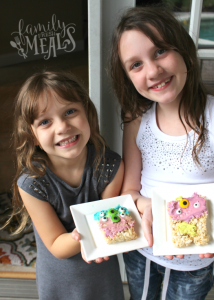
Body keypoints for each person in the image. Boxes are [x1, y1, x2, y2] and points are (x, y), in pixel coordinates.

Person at [110, 5, 214, 300]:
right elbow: (131, 192)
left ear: (183, 49)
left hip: (194, 259)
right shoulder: (136, 119)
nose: (154, 70)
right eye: (136, 64)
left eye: (160, 51)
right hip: (143, 250)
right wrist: (152, 209)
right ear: (127, 76)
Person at [9, 70, 125, 300]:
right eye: (45, 122)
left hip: (102, 276)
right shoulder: (32, 183)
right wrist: (92, 232)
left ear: (88, 114)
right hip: (59, 281)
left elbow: (113, 222)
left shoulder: (110, 166)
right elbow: (55, 245)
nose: (62, 127)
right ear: (32, 136)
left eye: (70, 111)